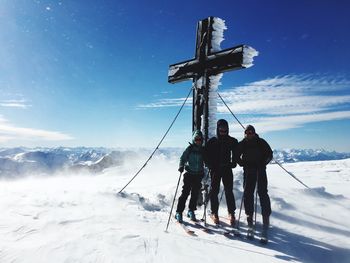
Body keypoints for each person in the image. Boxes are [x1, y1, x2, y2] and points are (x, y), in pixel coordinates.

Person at [235, 125, 273, 232]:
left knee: (262, 193)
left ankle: (266, 218)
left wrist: (263, 163)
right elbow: (236, 155)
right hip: (248, 171)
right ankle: (249, 216)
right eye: (247, 132)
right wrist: (243, 164)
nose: (249, 134)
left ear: (254, 132)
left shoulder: (261, 142)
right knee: (248, 194)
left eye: (251, 132)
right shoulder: (243, 143)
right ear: (245, 133)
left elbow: (269, 154)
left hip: (260, 171)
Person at [205, 119, 238, 226]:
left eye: (225, 129)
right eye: (221, 129)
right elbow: (206, 155)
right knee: (214, 191)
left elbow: (236, 151)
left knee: (229, 191)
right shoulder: (212, 141)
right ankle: (215, 213)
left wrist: (234, 162)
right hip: (215, 170)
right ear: (217, 129)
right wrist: (209, 165)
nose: (223, 131)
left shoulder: (231, 141)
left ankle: (231, 213)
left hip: (227, 169)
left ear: (228, 129)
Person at [175, 130, 205, 223]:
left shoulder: (202, 150)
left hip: (198, 174)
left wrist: (210, 164)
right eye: (196, 139)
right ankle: (179, 212)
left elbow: (206, 159)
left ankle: (191, 210)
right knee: (185, 193)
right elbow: (182, 158)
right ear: (193, 139)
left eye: (200, 139)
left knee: (195, 194)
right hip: (189, 174)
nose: (198, 141)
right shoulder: (189, 149)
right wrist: (181, 166)